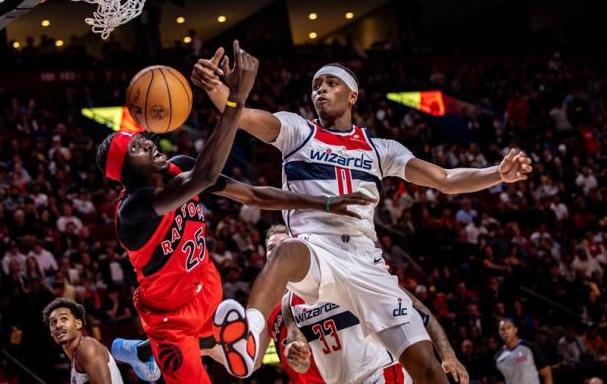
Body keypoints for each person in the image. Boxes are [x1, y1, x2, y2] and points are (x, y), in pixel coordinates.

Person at [192, 49, 532, 383]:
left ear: (352, 94)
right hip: (318, 252)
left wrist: (497, 174)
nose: (320, 90)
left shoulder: (380, 148)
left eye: (330, 83)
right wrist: (216, 88)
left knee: (427, 369)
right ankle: (249, 337)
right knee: (286, 250)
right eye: (316, 85)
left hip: (365, 261)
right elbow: (243, 115)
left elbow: (444, 179)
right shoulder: (298, 131)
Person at [96, 41, 372, 384]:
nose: (148, 143)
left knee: (248, 361)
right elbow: (205, 177)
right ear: (126, 171)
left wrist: (323, 203)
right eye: (136, 148)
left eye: (142, 139)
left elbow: (254, 195)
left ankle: (144, 353)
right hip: (171, 320)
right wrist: (234, 100)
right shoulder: (133, 209)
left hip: (208, 292)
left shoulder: (178, 168)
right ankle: (151, 350)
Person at [265, 224, 468, 384]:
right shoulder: (288, 304)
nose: (277, 252)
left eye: (283, 245)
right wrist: (296, 357)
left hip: (381, 372)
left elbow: (417, 308)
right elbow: (302, 361)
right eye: (271, 248)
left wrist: (447, 354)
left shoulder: (347, 270)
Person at [42, 298, 135, 384]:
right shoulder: (76, 359)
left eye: (64, 319)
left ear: (78, 324)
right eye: (53, 322)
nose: (58, 325)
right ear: (51, 333)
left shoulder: (86, 346)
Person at [495, 318, 553, 384]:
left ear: (515, 330)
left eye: (508, 328)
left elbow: (546, 372)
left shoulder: (530, 347)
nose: (505, 331)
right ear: (499, 332)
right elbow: (500, 381)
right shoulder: (498, 358)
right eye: (502, 329)